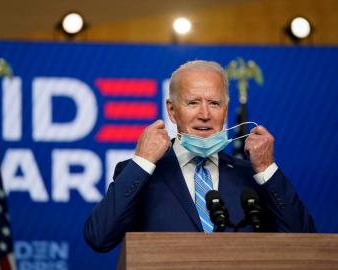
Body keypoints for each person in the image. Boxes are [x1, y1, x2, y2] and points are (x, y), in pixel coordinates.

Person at [84, 60, 315, 253]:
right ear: (172, 111)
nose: (204, 114)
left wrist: (266, 169)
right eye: (193, 103)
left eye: (214, 103)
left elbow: (306, 244)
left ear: (225, 110)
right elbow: (99, 237)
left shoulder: (250, 175)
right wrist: (143, 162)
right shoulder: (141, 173)